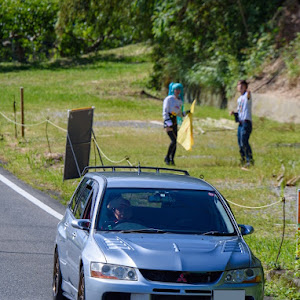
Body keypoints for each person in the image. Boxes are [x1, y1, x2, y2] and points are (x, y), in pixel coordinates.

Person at [162, 82, 189, 165]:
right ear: (173, 90)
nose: (178, 91)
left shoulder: (179, 101)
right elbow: (165, 111)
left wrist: (186, 113)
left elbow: (178, 113)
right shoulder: (169, 99)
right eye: (176, 89)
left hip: (174, 121)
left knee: (175, 141)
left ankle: (172, 159)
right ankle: (167, 157)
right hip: (168, 120)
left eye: (179, 90)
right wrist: (167, 121)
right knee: (173, 140)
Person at [231, 80, 254, 167]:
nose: (239, 87)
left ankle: (250, 160)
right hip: (240, 123)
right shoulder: (239, 99)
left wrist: (248, 93)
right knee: (240, 143)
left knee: (244, 141)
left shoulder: (246, 97)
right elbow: (240, 111)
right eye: (238, 85)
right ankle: (243, 159)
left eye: (241, 85)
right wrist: (234, 113)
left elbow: (248, 97)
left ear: (245, 87)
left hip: (246, 123)